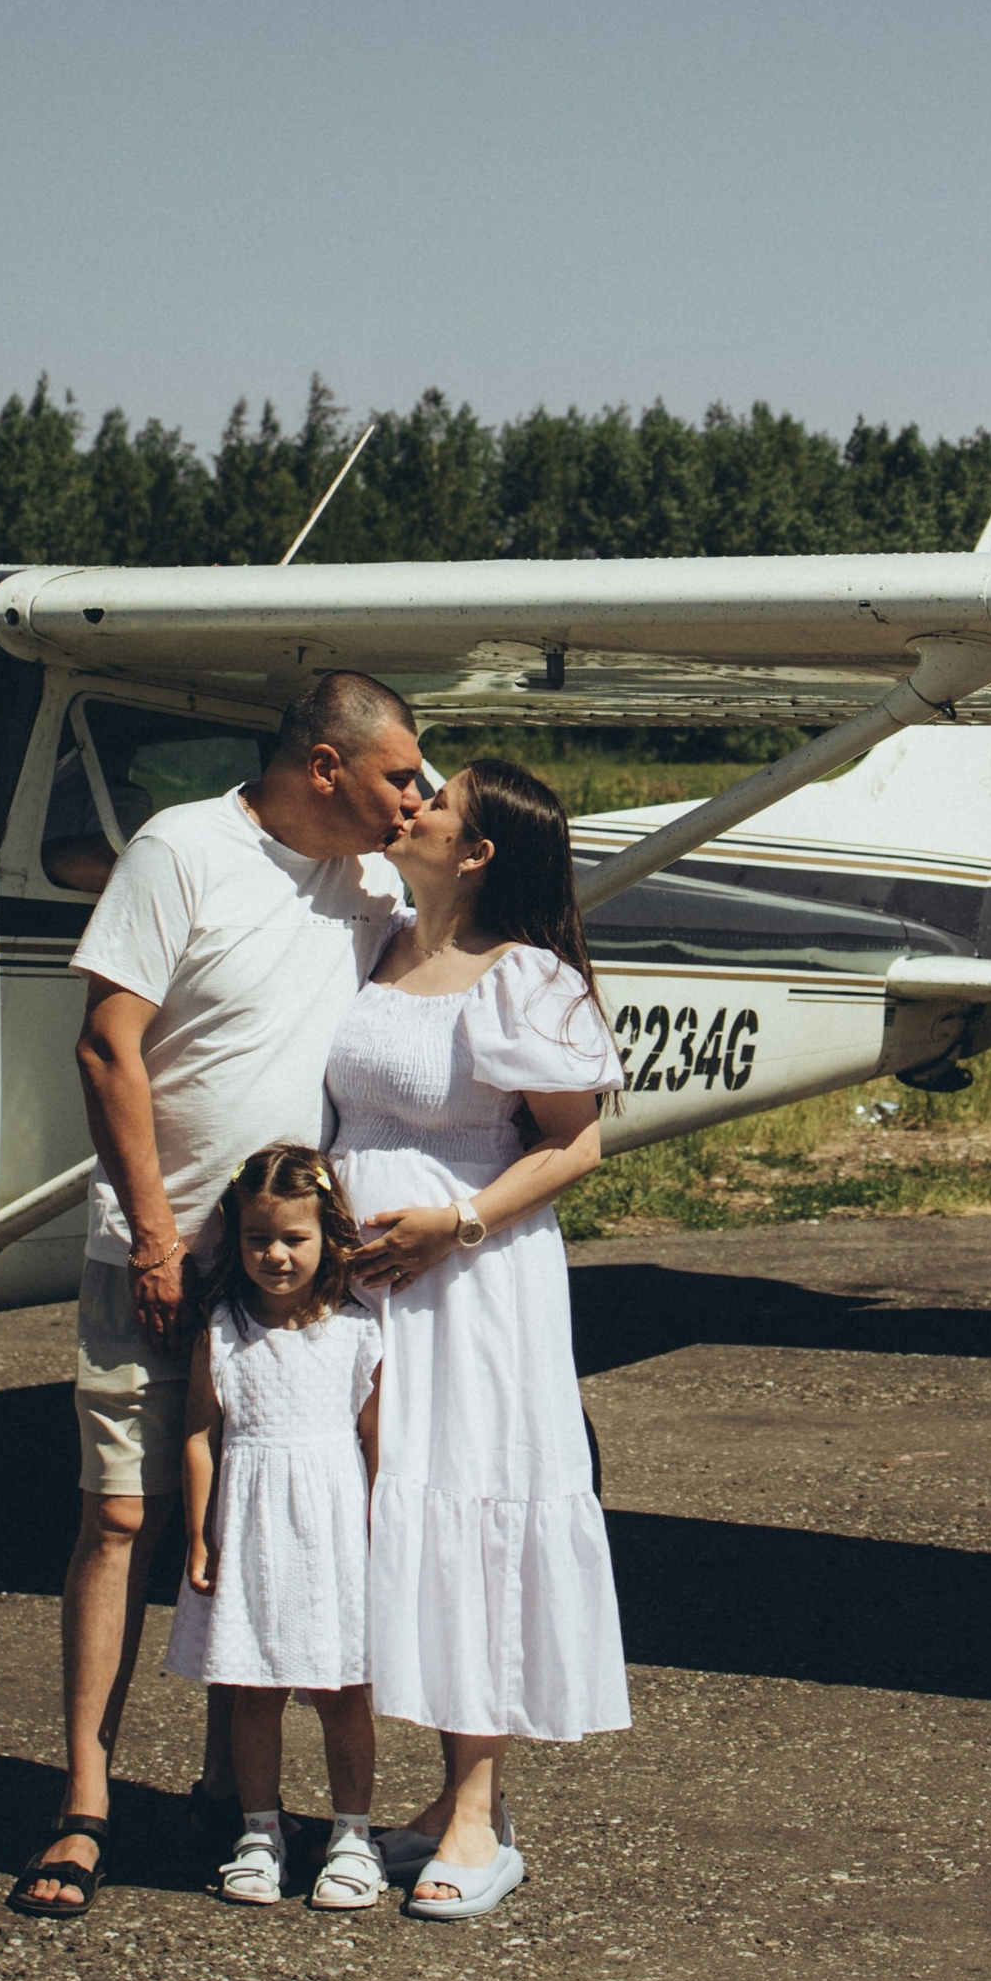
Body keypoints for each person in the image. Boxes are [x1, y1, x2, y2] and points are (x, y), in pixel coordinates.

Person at [5, 671, 424, 1923]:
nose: (421, 794)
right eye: (402, 773)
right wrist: (149, 1236)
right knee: (126, 1518)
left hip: (293, 1275)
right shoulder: (181, 848)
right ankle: (84, 1801)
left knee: (250, 1525)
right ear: (325, 767)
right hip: (158, 1250)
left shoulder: (377, 887)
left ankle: (224, 1788)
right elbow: (106, 1041)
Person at [328, 754, 629, 1920]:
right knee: (387, 1510)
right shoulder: (380, 940)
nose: (414, 805)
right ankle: (446, 1796)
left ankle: (477, 1810)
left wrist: (451, 1225)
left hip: (472, 1279)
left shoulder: (527, 977)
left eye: (436, 800)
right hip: (366, 1282)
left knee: (472, 1507)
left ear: (478, 850)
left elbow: (575, 1145)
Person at [162, 1144, 387, 1913]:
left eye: (294, 1237)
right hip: (250, 1530)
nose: (276, 1255)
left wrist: (378, 1530)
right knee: (252, 1690)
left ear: (327, 1235)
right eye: (259, 1238)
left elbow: (373, 1441)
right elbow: (199, 1433)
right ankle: (260, 1831)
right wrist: (199, 1533)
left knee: (340, 1689)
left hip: (331, 1538)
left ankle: (351, 1835)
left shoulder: (358, 1331)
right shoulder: (223, 1330)